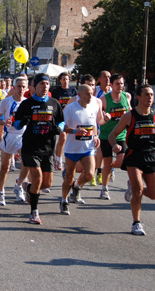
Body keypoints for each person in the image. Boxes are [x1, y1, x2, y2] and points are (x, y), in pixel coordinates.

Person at [109, 84, 155, 236]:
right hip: (134, 156)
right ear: (138, 97)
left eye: (152, 95)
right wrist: (115, 146)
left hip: (151, 156)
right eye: (146, 94)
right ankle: (136, 223)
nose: (150, 98)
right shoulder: (130, 116)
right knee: (138, 190)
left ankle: (132, 188)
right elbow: (112, 134)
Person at [13, 73, 64, 224]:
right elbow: (16, 124)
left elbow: (61, 121)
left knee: (47, 184)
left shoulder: (54, 103)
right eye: (41, 84)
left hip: (47, 148)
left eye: (47, 84)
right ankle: (34, 212)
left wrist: (59, 129)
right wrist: (23, 121)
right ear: (35, 86)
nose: (44, 86)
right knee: (38, 177)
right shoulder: (27, 104)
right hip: (30, 146)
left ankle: (29, 188)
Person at [59, 85, 107, 215]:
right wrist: (75, 131)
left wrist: (96, 136)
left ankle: (77, 186)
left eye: (91, 93)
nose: (90, 96)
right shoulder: (70, 108)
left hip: (87, 147)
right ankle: (64, 200)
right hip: (72, 148)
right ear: (79, 95)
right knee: (69, 177)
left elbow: (94, 125)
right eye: (87, 94)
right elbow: (62, 127)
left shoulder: (95, 106)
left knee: (91, 174)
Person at [0, 75, 28, 206]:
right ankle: (1, 192)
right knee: (5, 168)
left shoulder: (27, 102)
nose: (21, 89)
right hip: (9, 137)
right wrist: (3, 121)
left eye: (23, 87)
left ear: (27, 88)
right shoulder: (6, 102)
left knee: (27, 164)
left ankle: (18, 185)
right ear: (14, 87)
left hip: (23, 136)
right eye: (19, 86)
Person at [99, 73, 132, 199]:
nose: (120, 86)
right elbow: (99, 117)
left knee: (121, 161)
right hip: (106, 136)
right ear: (111, 85)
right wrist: (104, 117)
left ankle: (109, 169)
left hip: (121, 135)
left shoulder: (127, 96)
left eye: (122, 83)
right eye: (117, 84)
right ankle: (104, 189)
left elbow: (130, 112)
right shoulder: (104, 99)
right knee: (106, 162)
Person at [51, 72, 78, 167]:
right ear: (60, 81)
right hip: (61, 117)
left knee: (68, 140)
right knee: (63, 138)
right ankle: (58, 159)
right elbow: (53, 104)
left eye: (67, 79)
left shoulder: (73, 91)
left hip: (71, 117)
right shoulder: (56, 91)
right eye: (63, 79)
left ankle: (61, 157)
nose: (65, 81)